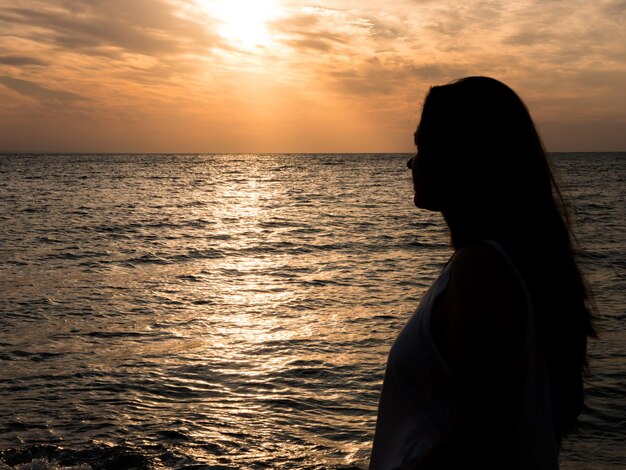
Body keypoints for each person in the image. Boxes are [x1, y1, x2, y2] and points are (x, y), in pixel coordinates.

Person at [369, 76, 596, 469]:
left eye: (421, 145)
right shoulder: (509, 267)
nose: (411, 162)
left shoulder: (482, 270)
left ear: (460, 153)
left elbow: (477, 442)